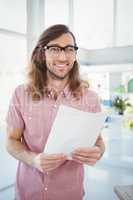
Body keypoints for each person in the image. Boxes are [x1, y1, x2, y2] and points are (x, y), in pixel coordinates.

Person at [6, 24, 105, 200]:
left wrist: (98, 151)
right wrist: (33, 159)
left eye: (69, 49)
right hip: (28, 194)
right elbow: (11, 141)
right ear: (41, 53)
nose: (63, 56)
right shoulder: (21, 94)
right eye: (54, 49)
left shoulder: (90, 99)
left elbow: (98, 141)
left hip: (69, 194)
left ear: (75, 54)